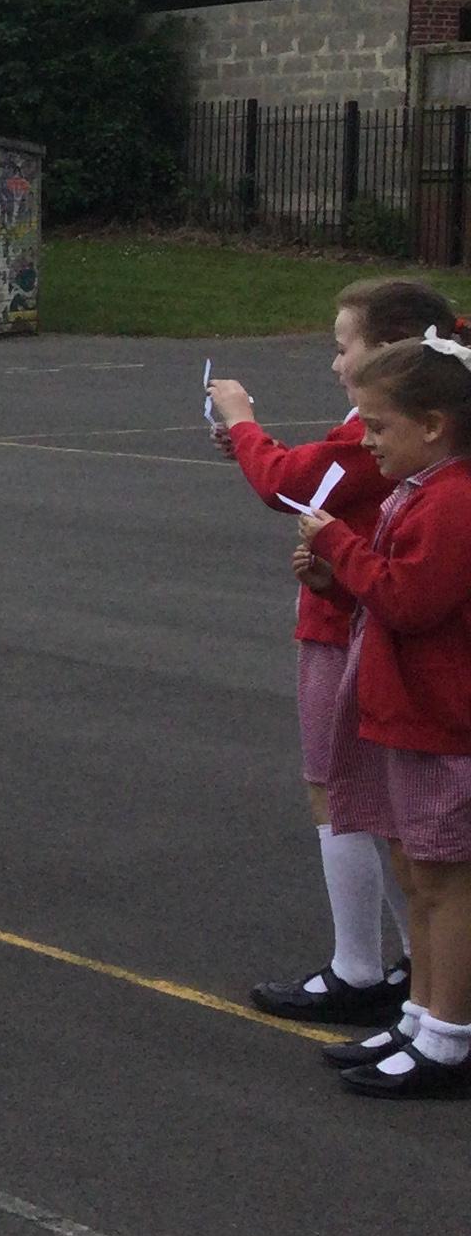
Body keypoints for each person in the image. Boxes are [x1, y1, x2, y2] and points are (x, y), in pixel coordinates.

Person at [209, 277, 451, 1018]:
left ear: (392, 350)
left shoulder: (385, 436)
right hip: (353, 608)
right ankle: (415, 972)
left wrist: (243, 421)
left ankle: (362, 968)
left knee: (342, 794)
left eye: (345, 346)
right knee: (383, 811)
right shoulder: (382, 427)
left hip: (346, 621)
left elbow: (290, 484)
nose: (336, 362)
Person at [300, 332, 471, 1098]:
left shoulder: (454, 501)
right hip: (410, 714)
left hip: (443, 721)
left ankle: (450, 1037)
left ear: (433, 425)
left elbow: (409, 600)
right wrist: (336, 580)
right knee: (417, 872)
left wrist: (339, 543)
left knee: (446, 883)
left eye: (378, 426)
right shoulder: (423, 491)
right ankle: (421, 1015)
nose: (364, 441)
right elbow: (392, 589)